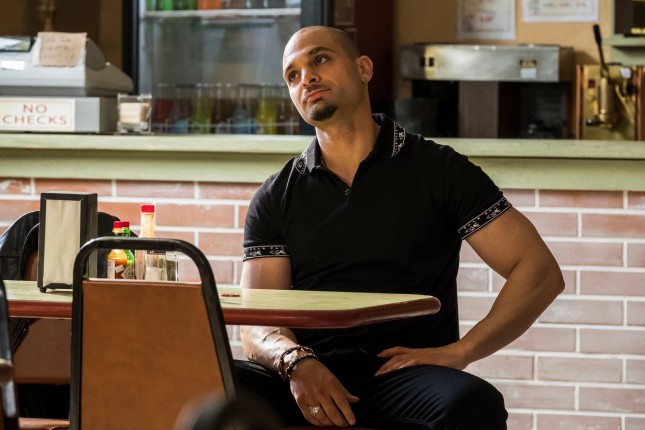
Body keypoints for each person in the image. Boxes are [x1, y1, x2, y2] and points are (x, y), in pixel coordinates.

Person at [235, 26, 564, 429]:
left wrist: (463, 350)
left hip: (405, 374)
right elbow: (258, 321)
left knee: (474, 403)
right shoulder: (275, 195)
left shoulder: (439, 169)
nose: (307, 78)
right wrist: (296, 362)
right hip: (309, 373)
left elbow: (539, 271)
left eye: (319, 59)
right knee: (209, 383)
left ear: (363, 68)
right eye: (293, 75)